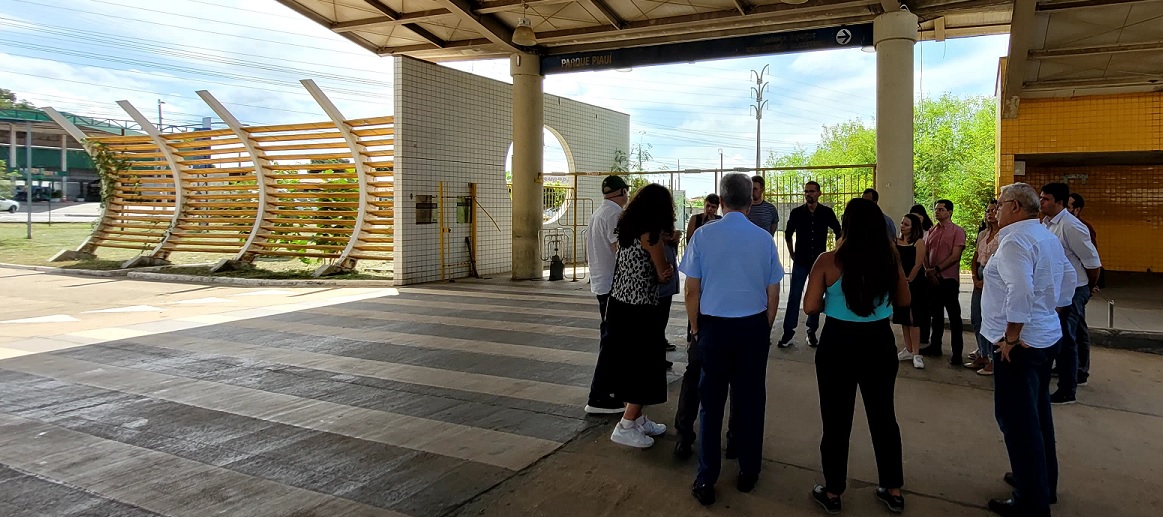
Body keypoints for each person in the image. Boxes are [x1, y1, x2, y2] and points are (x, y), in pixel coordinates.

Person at [682, 173, 784, 506]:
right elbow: (773, 292)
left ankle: (706, 478)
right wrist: (765, 326)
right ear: (749, 200)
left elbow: (691, 290)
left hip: (713, 329)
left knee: (711, 405)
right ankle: (748, 471)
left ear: (722, 202)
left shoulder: (702, 236)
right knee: (751, 400)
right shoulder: (763, 239)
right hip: (753, 328)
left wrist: (697, 328)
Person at [804, 198, 910, 515]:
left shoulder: (828, 260)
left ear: (846, 225)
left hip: (838, 342)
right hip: (878, 341)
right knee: (883, 417)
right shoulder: (889, 259)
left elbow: (810, 307)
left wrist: (833, 304)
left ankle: (834, 491)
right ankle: (893, 489)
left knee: (836, 420)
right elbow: (905, 298)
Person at [981, 183, 1075, 517]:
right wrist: (1051, 310)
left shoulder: (1015, 241)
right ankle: (1040, 481)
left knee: (1018, 421)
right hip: (1045, 336)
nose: (996, 209)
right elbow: (1067, 277)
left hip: (1018, 346)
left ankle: (1030, 501)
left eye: (1001, 203)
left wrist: (1010, 336)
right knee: (1037, 416)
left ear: (1016, 207)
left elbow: (1019, 290)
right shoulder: (1045, 235)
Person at [604, 183, 676, 448]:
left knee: (627, 365)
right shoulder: (652, 235)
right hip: (641, 310)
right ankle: (625, 426)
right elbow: (662, 272)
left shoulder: (627, 230)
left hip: (619, 306)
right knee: (646, 366)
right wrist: (665, 270)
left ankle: (637, 419)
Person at [1040, 183, 1101, 404]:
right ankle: (1070, 373)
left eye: (1046, 199)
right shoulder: (1047, 224)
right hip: (1056, 289)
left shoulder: (1071, 226)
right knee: (1064, 335)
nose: (1041, 202)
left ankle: (1068, 390)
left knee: (1067, 338)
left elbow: (1093, 263)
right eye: (1041, 198)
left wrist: (1085, 288)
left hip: (1073, 289)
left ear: (1059, 202)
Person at [584, 175, 630, 414]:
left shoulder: (598, 213)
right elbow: (619, 250)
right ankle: (598, 396)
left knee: (612, 338)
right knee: (612, 341)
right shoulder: (613, 214)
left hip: (602, 283)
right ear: (623, 191)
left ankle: (610, 389)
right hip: (614, 285)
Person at [778, 181, 842, 349]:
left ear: (819, 193)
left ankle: (811, 331)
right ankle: (788, 333)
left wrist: (836, 253)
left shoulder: (826, 212)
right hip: (801, 262)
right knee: (794, 297)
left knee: (816, 297)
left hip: (818, 263)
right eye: (806, 191)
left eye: (812, 191)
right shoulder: (797, 212)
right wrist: (792, 254)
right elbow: (788, 234)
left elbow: (838, 231)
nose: (809, 194)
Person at [920, 199, 967, 365]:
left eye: (941, 209)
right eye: (936, 209)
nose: (937, 212)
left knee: (954, 317)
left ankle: (957, 353)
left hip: (948, 279)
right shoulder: (932, 231)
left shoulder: (957, 231)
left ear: (950, 212)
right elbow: (925, 252)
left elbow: (955, 256)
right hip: (932, 279)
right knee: (936, 315)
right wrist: (928, 270)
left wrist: (937, 269)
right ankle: (935, 346)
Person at [967, 200, 1001, 376]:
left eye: (994, 210)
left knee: (991, 319)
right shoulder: (983, 234)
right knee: (977, 317)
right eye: (988, 210)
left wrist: (986, 281)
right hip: (979, 275)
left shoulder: (1003, 236)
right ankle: (982, 352)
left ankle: (992, 359)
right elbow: (975, 257)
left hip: (993, 279)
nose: (990, 213)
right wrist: (974, 277)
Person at [1067, 192, 1099, 377]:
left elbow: (1093, 260)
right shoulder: (1054, 224)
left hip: (1078, 285)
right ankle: (1069, 365)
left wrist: (1090, 285)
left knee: (1077, 329)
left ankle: (1081, 368)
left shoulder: (1081, 228)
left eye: (1069, 207)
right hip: (1065, 286)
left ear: (1077, 210)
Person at [894, 213, 928, 370]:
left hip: (914, 284)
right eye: (902, 223)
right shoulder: (896, 242)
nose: (902, 226)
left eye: (906, 224)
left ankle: (916, 352)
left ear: (914, 227)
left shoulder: (918, 242)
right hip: (899, 283)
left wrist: (908, 280)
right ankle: (907, 349)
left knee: (914, 318)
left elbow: (918, 264)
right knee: (903, 317)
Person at [910, 204, 936, 345]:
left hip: (925, 272)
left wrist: (928, 269)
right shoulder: (909, 235)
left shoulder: (929, 232)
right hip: (915, 274)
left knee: (925, 307)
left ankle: (925, 335)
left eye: (918, 216)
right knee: (915, 307)